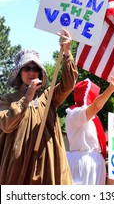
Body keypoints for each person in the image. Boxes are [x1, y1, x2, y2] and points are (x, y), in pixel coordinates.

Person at [0, 28, 78, 185]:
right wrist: (26, 98)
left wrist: (67, 53)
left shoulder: (48, 97)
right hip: (18, 169)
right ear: (19, 73)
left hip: (48, 165)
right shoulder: (8, 99)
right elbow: (6, 125)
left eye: (36, 69)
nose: (32, 72)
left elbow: (68, 84)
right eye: (27, 68)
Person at [65, 77, 114, 185]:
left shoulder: (92, 118)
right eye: (95, 95)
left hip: (94, 163)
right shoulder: (75, 113)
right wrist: (110, 89)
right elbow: (96, 106)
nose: (97, 98)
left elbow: (100, 140)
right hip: (83, 163)